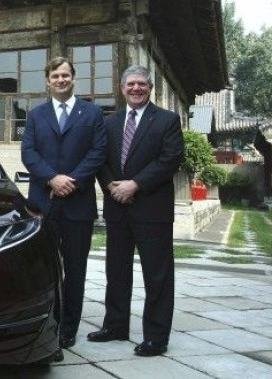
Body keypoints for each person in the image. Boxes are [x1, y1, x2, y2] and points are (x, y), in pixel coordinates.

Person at [87, 65, 183, 357]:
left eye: (142, 84)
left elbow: (170, 160)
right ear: (122, 88)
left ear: (150, 88)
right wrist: (112, 187)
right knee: (116, 271)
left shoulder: (167, 120)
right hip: (117, 208)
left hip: (152, 210)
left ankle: (156, 337)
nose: (136, 89)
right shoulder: (110, 122)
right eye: (131, 84)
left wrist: (135, 185)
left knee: (157, 275)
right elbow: (99, 159)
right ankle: (115, 325)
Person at [21, 56, 107, 360]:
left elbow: (98, 152)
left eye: (65, 75)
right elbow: (28, 153)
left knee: (75, 269)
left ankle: (68, 328)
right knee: (43, 270)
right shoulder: (35, 115)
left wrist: (73, 181)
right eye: (55, 75)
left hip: (78, 204)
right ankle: (45, 323)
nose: (61, 80)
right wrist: (51, 178)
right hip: (42, 205)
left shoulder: (92, 113)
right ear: (47, 81)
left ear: (73, 78)